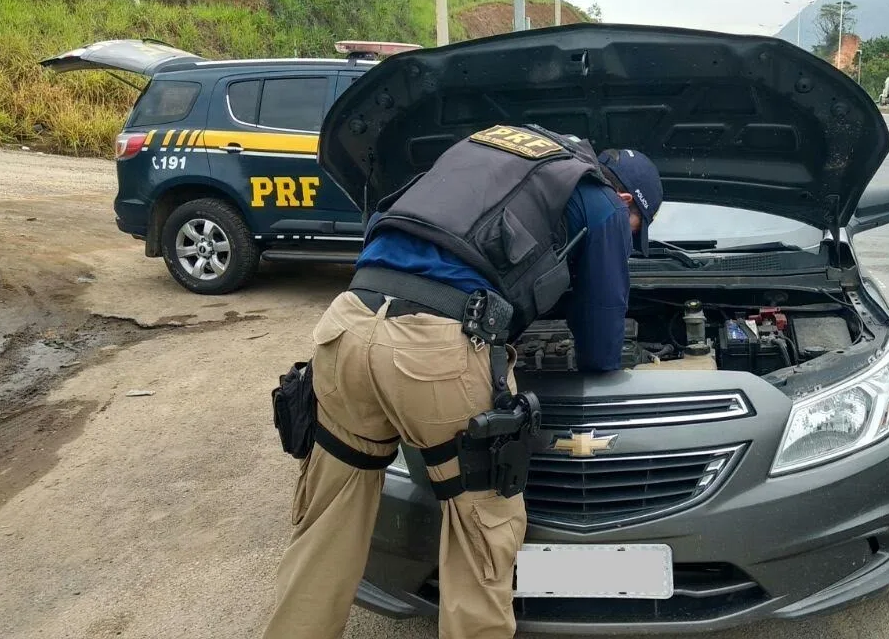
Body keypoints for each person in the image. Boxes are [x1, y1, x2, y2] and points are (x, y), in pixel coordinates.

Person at [263, 124, 663, 639]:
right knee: (482, 533)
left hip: (347, 324)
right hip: (432, 349)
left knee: (326, 522)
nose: (628, 236)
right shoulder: (602, 200)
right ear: (627, 198)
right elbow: (604, 336)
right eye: (635, 227)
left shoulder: (487, 149)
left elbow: (391, 222)